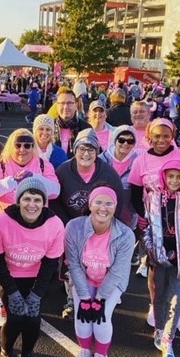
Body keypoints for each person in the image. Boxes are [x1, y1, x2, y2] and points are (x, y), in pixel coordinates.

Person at [128, 118, 180, 337]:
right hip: (155, 227)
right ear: (149, 136)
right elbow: (134, 191)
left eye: (166, 136)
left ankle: (177, 312)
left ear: (173, 135)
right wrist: (143, 217)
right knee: (156, 268)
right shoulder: (141, 160)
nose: (161, 140)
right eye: (157, 136)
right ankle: (156, 306)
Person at [0, 178, 64, 357]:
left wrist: (36, 294)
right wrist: (12, 291)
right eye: (27, 199)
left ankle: (27, 354)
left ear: (44, 203)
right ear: (18, 201)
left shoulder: (55, 224)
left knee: (32, 317)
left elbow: (51, 263)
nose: (32, 204)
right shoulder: (2, 221)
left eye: (37, 200)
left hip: (35, 274)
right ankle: (5, 354)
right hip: (8, 273)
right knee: (15, 315)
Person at [52, 129, 124, 320]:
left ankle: (100, 297)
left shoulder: (107, 173)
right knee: (70, 265)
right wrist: (68, 225)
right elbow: (55, 201)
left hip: (99, 229)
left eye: (91, 149)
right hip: (71, 226)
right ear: (75, 150)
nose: (86, 153)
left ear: (97, 151)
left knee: (95, 264)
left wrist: (106, 226)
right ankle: (71, 299)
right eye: (82, 148)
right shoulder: (64, 171)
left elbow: (118, 200)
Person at [65, 185, 133, 357]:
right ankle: (85, 350)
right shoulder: (74, 227)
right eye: (98, 202)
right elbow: (74, 265)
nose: (103, 208)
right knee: (82, 318)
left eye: (109, 203)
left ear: (115, 206)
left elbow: (118, 271)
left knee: (101, 320)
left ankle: (102, 355)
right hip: (84, 279)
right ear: (90, 204)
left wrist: (100, 299)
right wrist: (86, 298)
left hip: (110, 282)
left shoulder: (125, 234)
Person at [143, 159, 180, 357]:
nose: (174, 180)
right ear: (163, 177)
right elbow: (147, 228)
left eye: (179, 176)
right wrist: (153, 252)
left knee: (176, 300)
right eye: (170, 176)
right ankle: (159, 330)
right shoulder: (152, 198)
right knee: (159, 296)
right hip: (159, 256)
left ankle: (168, 340)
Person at [0, 128, 60, 214]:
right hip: (4, 220)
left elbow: (56, 191)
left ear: (33, 147)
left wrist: (34, 178)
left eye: (27, 146)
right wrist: (13, 181)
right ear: (10, 147)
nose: (22, 149)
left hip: (35, 221)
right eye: (18, 145)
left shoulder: (43, 165)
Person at [54, 87, 92, 159]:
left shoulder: (86, 129)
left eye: (69, 103)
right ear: (57, 105)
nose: (65, 107)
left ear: (76, 105)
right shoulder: (49, 128)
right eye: (62, 103)